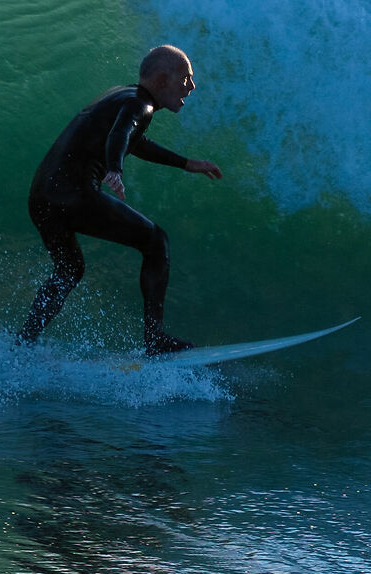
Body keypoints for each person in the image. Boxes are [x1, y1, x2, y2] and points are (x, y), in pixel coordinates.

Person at [18, 45, 224, 354]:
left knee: (70, 269)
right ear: (163, 79)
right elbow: (123, 133)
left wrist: (186, 163)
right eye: (186, 79)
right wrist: (114, 168)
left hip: (42, 197)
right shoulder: (140, 106)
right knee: (156, 241)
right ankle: (154, 339)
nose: (191, 87)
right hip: (74, 194)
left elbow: (131, 137)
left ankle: (24, 342)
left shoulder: (124, 95)